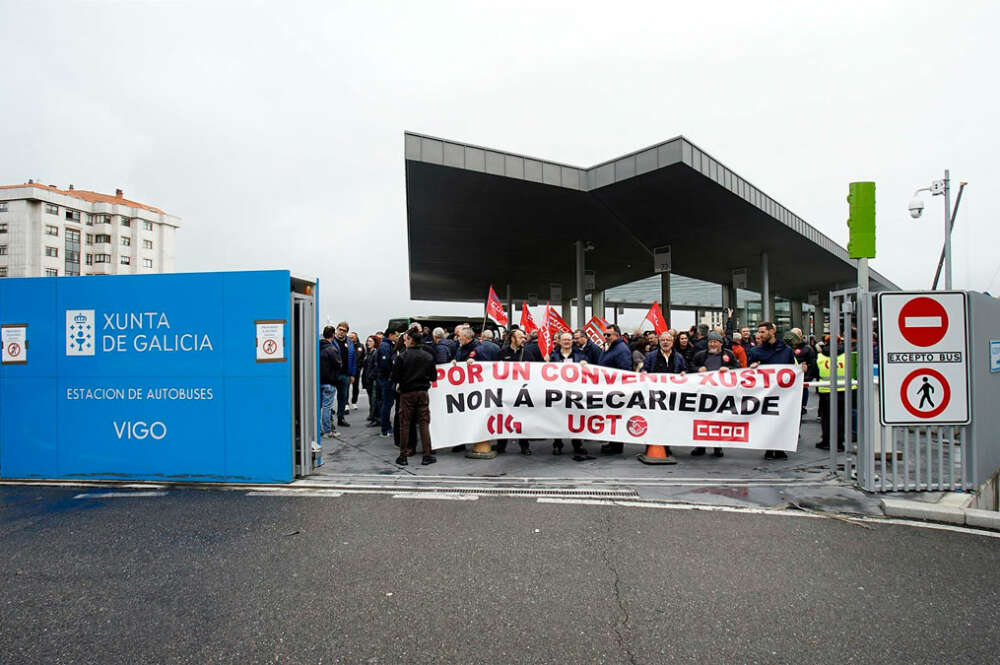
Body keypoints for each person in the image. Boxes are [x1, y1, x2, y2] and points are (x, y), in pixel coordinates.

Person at [390, 329, 438, 466]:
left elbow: (394, 377)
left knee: (405, 423)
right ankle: (427, 455)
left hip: (407, 393)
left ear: (411, 340)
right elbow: (433, 377)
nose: (404, 342)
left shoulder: (402, 357)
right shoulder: (428, 357)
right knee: (424, 423)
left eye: (406, 339)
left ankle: (403, 455)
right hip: (422, 392)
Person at [749, 321, 796, 460]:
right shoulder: (755, 351)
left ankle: (780, 448)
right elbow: (748, 372)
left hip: (783, 392)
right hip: (765, 392)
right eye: (759, 332)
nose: (760, 335)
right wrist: (753, 367)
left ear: (772, 331)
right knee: (767, 420)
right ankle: (769, 448)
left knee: (782, 420)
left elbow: (792, 369)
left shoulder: (786, 350)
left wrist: (801, 371)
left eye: (763, 332)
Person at [690, 331, 740, 457]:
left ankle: (718, 446)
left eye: (715, 342)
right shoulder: (700, 355)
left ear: (721, 344)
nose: (712, 344)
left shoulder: (729, 354)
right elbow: (690, 366)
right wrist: (697, 369)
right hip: (703, 392)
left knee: (719, 419)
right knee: (702, 419)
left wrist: (729, 369)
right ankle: (700, 446)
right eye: (710, 342)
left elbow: (738, 368)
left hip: (721, 393)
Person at [639, 331, 685, 464]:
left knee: (668, 421)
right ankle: (650, 445)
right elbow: (644, 369)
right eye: (663, 340)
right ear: (659, 342)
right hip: (654, 395)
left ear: (672, 342)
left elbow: (684, 370)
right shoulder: (651, 356)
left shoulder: (679, 357)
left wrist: (683, 374)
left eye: (668, 340)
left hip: (671, 396)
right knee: (653, 420)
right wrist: (644, 373)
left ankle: (666, 446)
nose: (665, 342)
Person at [495, 328, 531, 455]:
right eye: (521, 337)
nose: (524, 340)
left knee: (522, 419)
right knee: (503, 417)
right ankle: (501, 445)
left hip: (522, 392)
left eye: (524, 337)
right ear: (512, 338)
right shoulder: (502, 353)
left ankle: (524, 446)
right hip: (506, 392)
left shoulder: (527, 354)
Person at [549, 332, 586, 456]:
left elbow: (589, 372)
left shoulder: (580, 355)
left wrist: (585, 365)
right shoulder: (553, 356)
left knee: (575, 419)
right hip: (558, 392)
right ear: (559, 341)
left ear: (572, 342)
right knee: (557, 419)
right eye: (564, 340)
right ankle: (557, 444)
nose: (566, 342)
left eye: (569, 340)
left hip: (575, 392)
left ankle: (577, 444)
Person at [599, 324, 632, 455]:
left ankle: (616, 446)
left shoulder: (621, 349)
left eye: (608, 335)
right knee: (611, 417)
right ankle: (612, 443)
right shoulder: (611, 347)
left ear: (617, 336)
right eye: (605, 334)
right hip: (608, 388)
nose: (605, 337)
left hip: (616, 390)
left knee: (616, 417)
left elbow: (624, 369)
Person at [375, 328, 400, 438]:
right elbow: (385, 363)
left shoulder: (388, 344)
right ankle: (385, 429)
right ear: (390, 335)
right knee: (387, 404)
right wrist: (391, 375)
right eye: (395, 335)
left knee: (388, 403)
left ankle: (386, 427)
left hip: (386, 378)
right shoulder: (385, 346)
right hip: (386, 379)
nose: (397, 337)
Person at [330, 321, 355, 428]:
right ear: (336, 329)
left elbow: (353, 359)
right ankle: (329, 420)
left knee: (343, 398)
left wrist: (352, 374)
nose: (341, 332)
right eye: (340, 329)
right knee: (329, 397)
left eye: (344, 331)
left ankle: (341, 418)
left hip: (345, 374)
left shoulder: (349, 342)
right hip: (333, 374)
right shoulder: (331, 341)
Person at [787, 327, 817, 417]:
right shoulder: (787, 347)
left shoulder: (807, 349)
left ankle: (802, 406)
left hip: (802, 377)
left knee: (803, 391)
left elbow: (812, 364)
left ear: (800, 336)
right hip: (789, 378)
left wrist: (808, 377)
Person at [319, 326, 341, 439]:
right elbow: (338, 364)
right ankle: (328, 430)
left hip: (319, 381)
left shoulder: (318, 348)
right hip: (330, 382)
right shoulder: (332, 349)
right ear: (332, 335)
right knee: (327, 406)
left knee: (318, 406)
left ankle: (318, 429)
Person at [362, 336, 380, 426]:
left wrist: (371, 376)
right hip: (368, 379)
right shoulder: (368, 353)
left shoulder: (375, 353)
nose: (368, 342)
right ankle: (372, 416)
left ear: (375, 342)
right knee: (371, 399)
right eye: (367, 341)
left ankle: (375, 418)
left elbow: (376, 367)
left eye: (370, 341)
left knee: (374, 399)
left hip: (372, 379)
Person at [348, 331, 364, 411]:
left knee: (355, 387)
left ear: (356, 338)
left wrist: (360, 366)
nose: (351, 339)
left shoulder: (360, 346)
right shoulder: (346, 345)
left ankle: (354, 402)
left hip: (357, 370)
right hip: (347, 370)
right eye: (350, 337)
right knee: (346, 387)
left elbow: (363, 357)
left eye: (352, 337)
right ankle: (346, 403)